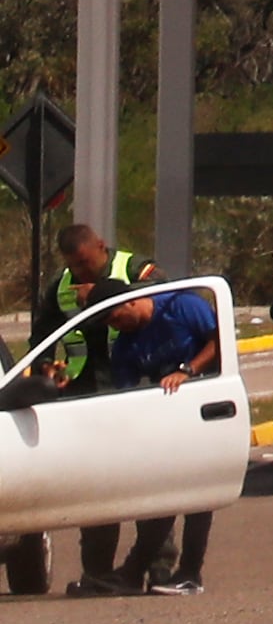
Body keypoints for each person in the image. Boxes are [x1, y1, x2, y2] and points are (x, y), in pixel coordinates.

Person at [8, 227, 137, 597]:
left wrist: (97, 294)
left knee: (146, 482)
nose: (81, 272)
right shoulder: (61, 286)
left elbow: (156, 310)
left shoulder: (136, 270)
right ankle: (98, 574)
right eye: (74, 265)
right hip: (84, 399)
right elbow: (42, 336)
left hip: (132, 391)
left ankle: (155, 567)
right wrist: (47, 366)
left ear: (100, 246)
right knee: (95, 488)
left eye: (86, 262)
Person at [95, 265, 222, 596]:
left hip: (205, 410)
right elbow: (125, 393)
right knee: (164, 497)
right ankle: (134, 571)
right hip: (168, 424)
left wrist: (188, 370)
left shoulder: (180, 306)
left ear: (131, 302)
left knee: (198, 497)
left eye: (115, 317)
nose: (115, 326)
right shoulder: (126, 346)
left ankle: (191, 573)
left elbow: (219, 341)